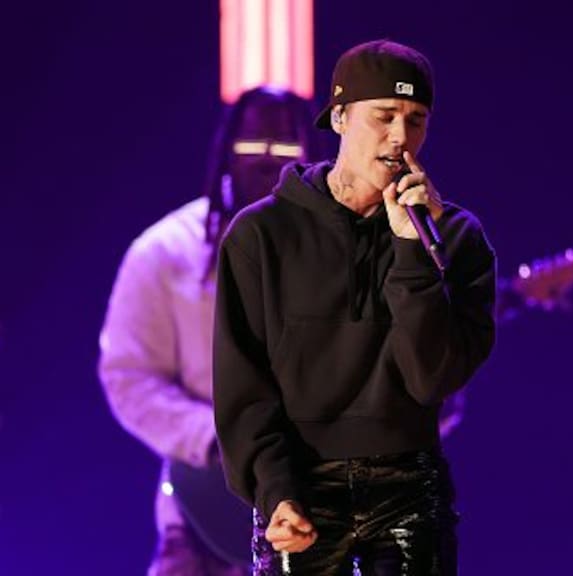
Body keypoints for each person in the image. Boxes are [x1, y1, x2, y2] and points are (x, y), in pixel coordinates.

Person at [213, 39, 497, 575]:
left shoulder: (454, 238)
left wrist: (411, 252)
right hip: (301, 486)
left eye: (416, 120)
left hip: (408, 487)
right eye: (384, 116)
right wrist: (275, 493)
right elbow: (242, 386)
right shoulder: (260, 235)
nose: (400, 137)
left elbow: (431, 378)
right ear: (339, 117)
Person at [98, 86, 321, 576]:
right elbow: (129, 377)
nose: (267, 163)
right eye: (252, 149)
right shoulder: (163, 254)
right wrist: (216, 438)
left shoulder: (341, 259)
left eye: (283, 150)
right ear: (225, 151)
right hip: (203, 518)